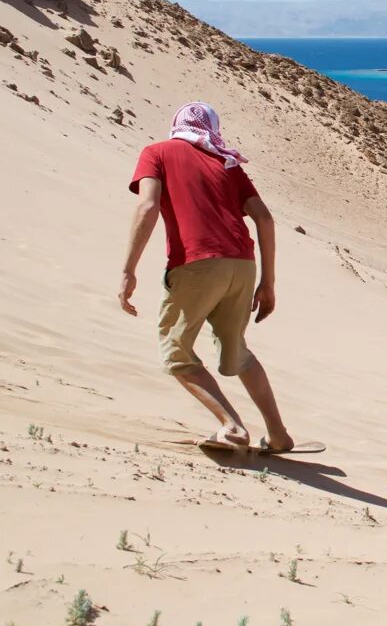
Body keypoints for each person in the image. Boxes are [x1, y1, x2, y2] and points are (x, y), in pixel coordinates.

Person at [119, 101, 293, 451]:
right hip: (242, 265)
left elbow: (148, 205)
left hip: (196, 264)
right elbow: (266, 219)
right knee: (238, 351)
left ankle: (232, 427)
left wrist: (128, 270)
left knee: (177, 353)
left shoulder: (157, 152)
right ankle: (278, 434)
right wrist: (268, 284)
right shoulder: (227, 162)